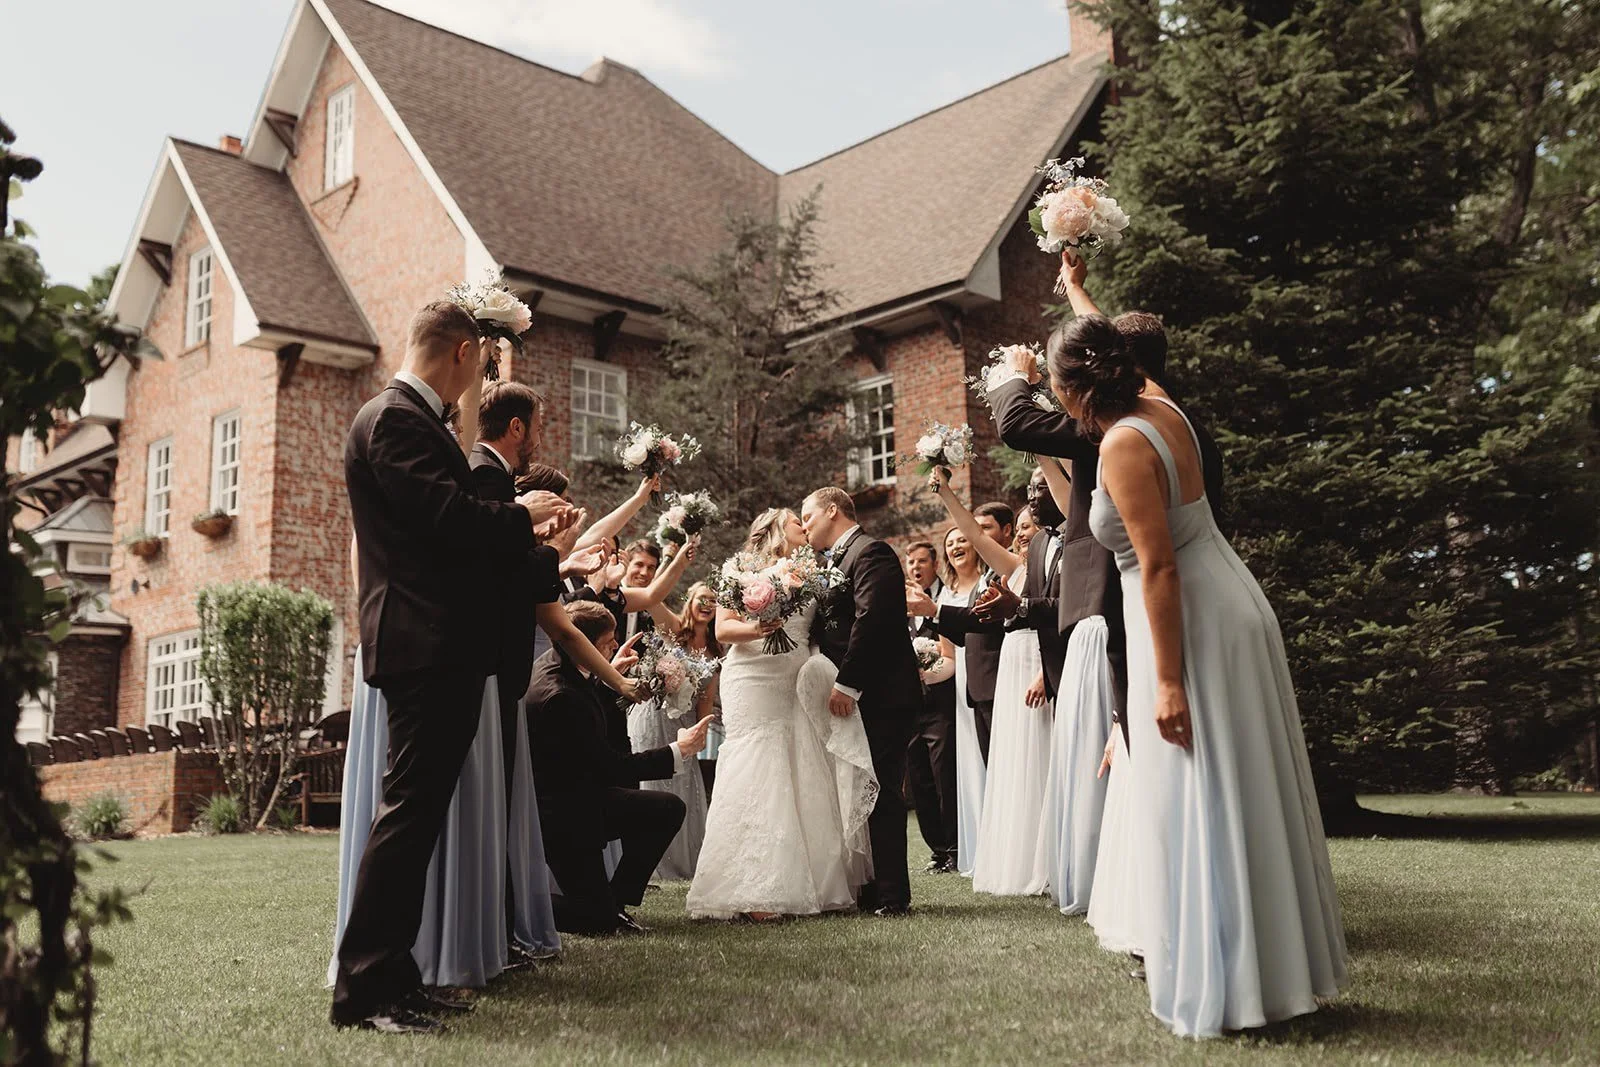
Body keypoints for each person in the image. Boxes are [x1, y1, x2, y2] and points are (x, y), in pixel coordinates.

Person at [1057, 313, 1347, 1036]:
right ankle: (1263, 974)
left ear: (1075, 386)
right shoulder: (1162, 404)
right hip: (1229, 599)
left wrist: (1167, 682)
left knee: (1201, 792)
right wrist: (1077, 287)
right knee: (1235, 787)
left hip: (1191, 623)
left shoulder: (1125, 441)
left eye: (1057, 387)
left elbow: (1155, 564)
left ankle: (1234, 987)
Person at [333, 302, 579, 1034]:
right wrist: (524, 513)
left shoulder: (413, 420)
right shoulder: (395, 419)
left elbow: (446, 534)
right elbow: (447, 521)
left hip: (438, 644)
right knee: (408, 816)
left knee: (418, 818)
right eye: (479, 365)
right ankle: (365, 989)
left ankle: (395, 974)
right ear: (464, 352)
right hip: (421, 645)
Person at [986, 253, 1225, 753]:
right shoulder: (1168, 408)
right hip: (1210, 591)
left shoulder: (1116, 432)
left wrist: (1015, 380)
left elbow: (1016, 426)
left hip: (1147, 600)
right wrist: (1074, 288)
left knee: (1153, 741)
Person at [687, 510, 879, 920]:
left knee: (801, 765)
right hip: (751, 674)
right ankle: (754, 887)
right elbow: (723, 630)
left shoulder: (816, 571)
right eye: (797, 521)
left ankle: (812, 879)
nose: (804, 527)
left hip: (794, 672)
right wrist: (761, 628)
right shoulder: (738, 568)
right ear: (775, 527)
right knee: (758, 762)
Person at [528, 601, 712, 935]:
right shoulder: (561, 695)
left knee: (666, 808)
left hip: (583, 799)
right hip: (563, 819)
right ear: (581, 645)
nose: (614, 646)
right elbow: (611, 768)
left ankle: (615, 900)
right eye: (606, 643)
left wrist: (608, 673)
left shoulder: (564, 667)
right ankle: (516, 905)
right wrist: (678, 750)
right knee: (596, 921)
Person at [924, 473, 1052, 897]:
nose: (1021, 538)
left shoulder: (1047, 566)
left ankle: (1048, 856)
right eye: (1022, 531)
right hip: (1010, 668)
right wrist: (945, 494)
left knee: (1041, 762)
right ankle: (1023, 855)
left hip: (1033, 664)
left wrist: (1046, 672)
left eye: (1028, 528)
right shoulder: (1014, 569)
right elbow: (976, 535)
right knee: (1014, 768)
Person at [802, 488, 921, 915]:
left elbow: (874, 620)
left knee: (882, 790)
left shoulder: (872, 553)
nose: (805, 525)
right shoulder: (830, 562)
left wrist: (847, 684)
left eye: (809, 516)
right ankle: (871, 886)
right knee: (858, 790)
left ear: (833, 510)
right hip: (856, 692)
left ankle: (893, 897)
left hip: (883, 693)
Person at [623, 540, 711, 881]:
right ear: (689, 603)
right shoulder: (675, 630)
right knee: (650, 779)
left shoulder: (718, 648)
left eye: (713, 601)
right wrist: (673, 559)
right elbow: (652, 598)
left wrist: (702, 726)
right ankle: (652, 863)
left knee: (684, 784)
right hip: (653, 713)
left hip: (685, 721)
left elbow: (707, 696)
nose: (706, 605)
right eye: (700, 599)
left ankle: (685, 860)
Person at [903, 541, 958, 873]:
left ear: (935, 563)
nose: (915, 567)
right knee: (918, 779)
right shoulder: (902, 604)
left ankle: (953, 847)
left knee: (943, 777)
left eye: (922, 561)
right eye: (910, 562)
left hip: (941, 705)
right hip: (911, 707)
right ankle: (937, 850)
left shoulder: (944, 600)